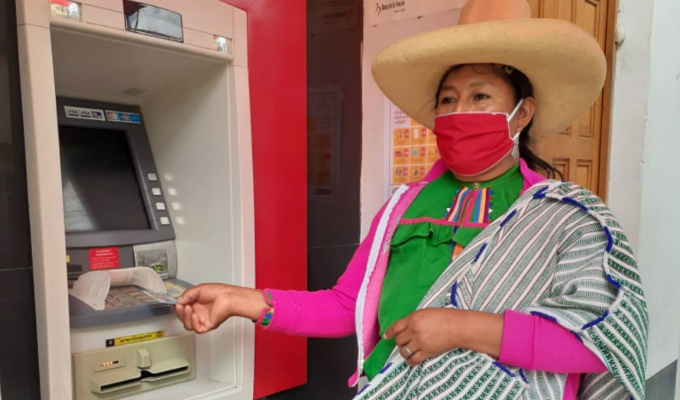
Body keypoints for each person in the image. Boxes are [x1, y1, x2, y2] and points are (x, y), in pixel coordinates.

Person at [175, 0, 648, 399]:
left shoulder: (564, 216)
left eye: (481, 96)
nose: (459, 112)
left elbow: (601, 339)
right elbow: (346, 306)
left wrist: (462, 328)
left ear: (521, 113)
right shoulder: (403, 208)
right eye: (448, 99)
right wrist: (241, 300)